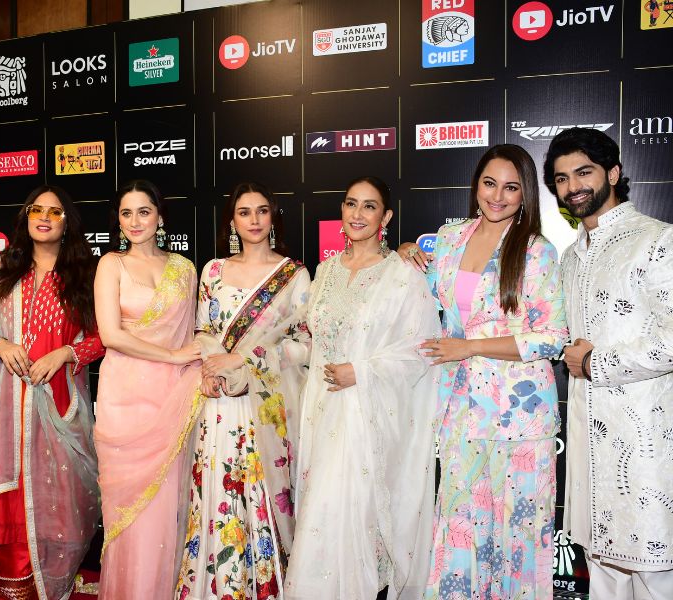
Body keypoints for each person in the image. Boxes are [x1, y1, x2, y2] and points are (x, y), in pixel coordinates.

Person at [400, 144, 567, 599]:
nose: (498, 196)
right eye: (490, 184)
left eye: (511, 187)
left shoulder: (537, 251)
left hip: (520, 416)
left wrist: (469, 347)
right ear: (476, 186)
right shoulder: (449, 237)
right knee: (459, 524)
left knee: (518, 535)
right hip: (459, 408)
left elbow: (552, 337)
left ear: (525, 193)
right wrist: (405, 255)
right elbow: (426, 301)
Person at [284, 176, 441, 600]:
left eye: (369, 206)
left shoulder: (402, 274)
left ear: (385, 217)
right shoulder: (325, 271)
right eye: (351, 204)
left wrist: (361, 371)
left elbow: (421, 349)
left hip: (367, 418)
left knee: (352, 518)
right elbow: (316, 342)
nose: (357, 214)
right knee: (320, 518)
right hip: (322, 412)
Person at [0, 185, 104, 600]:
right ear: (25, 217)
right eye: (36, 209)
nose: (44, 217)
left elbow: (104, 337)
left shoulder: (85, 274)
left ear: (67, 223)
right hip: (4, 408)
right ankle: (12, 587)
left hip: (58, 407)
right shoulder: (3, 267)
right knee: (13, 500)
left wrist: (66, 353)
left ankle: (53, 583)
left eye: (54, 212)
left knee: (58, 500)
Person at [546, 127, 673, 600]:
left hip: (645, 448)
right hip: (588, 451)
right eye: (562, 178)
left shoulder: (657, 240)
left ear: (613, 173)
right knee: (602, 575)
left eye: (584, 172)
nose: (573, 186)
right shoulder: (569, 257)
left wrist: (598, 361)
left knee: (654, 576)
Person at [174, 182, 311, 600]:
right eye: (244, 212)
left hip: (264, 407)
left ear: (273, 217)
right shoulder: (213, 270)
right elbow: (202, 330)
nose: (254, 220)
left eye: (262, 211)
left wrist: (245, 361)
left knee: (261, 491)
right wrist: (212, 367)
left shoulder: (293, 275)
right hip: (217, 404)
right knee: (218, 491)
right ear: (231, 221)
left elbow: (306, 344)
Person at [93, 180, 202, 599]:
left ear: (160, 216)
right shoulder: (111, 265)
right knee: (129, 512)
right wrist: (173, 356)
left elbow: (191, 333)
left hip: (172, 398)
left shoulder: (185, 269)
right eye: (126, 213)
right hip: (124, 401)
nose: (135, 221)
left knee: (168, 505)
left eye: (144, 211)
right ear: (118, 221)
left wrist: (187, 362)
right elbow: (111, 335)